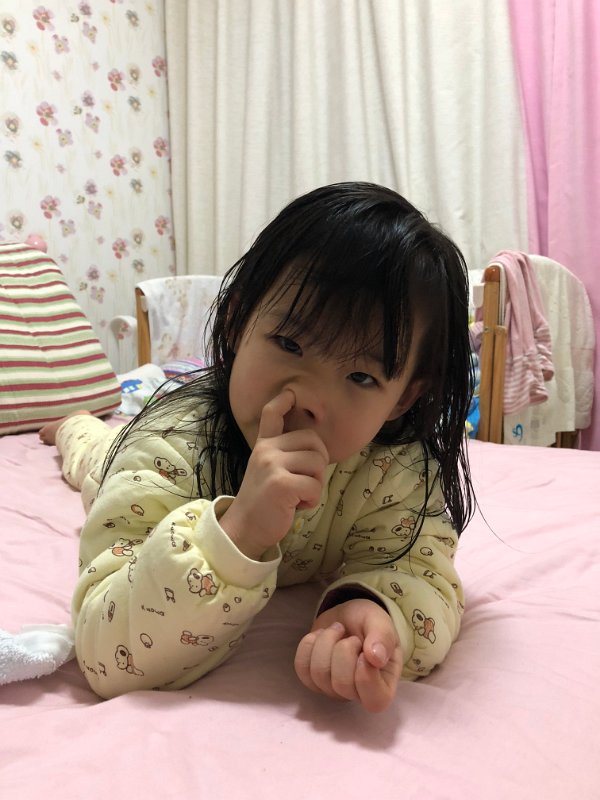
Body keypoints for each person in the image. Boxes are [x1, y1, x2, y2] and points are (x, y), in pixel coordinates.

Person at [41, 182, 475, 712]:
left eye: (361, 377)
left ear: (403, 398)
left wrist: (371, 609)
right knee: (94, 454)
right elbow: (104, 651)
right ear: (236, 320)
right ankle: (75, 426)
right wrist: (238, 530)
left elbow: (422, 573)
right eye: (290, 343)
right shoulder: (171, 446)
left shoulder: (395, 469)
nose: (310, 399)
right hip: (124, 458)